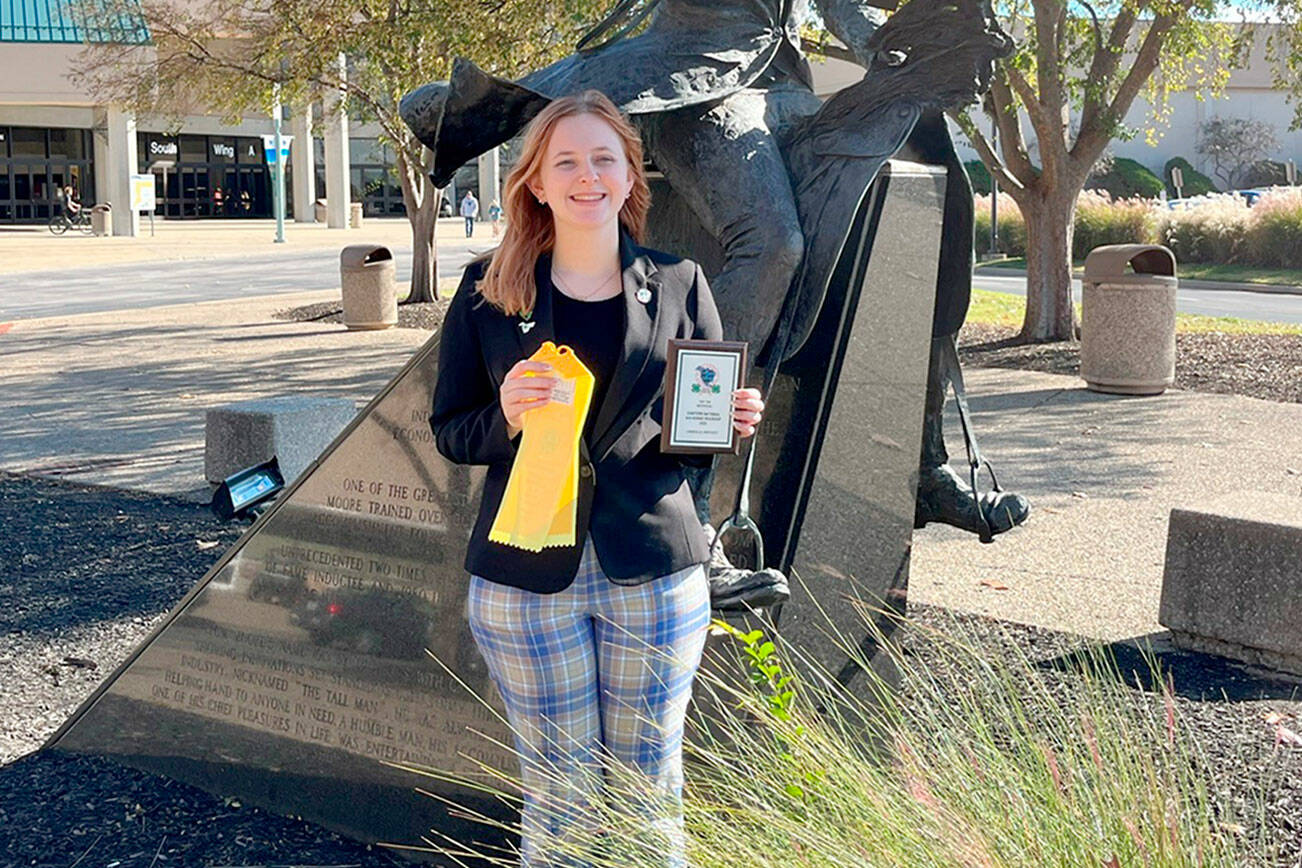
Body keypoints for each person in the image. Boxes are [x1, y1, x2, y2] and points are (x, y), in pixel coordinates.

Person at [430, 90, 764, 867]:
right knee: (563, 802)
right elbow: (450, 430)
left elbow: (687, 446)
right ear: (537, 183)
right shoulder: (487, 291)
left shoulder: (680, 283)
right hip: (524, 585)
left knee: (650, 797)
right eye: (567, 162)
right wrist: (506, 416)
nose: (588, 176)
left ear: (629, 174)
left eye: (603, 159)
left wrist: (724, 422)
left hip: (652, 574)